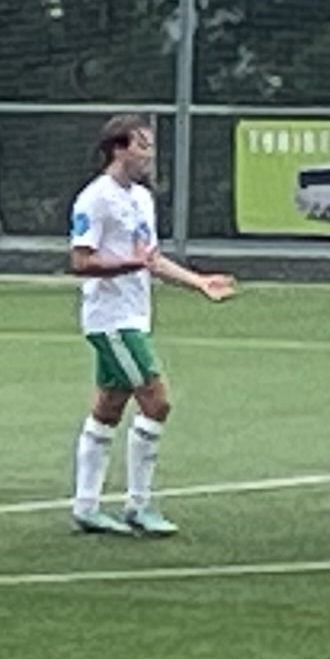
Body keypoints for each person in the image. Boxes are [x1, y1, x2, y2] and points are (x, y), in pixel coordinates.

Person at [64, 115, 234, 534]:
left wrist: (198, 282)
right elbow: (81, 261)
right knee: (157, 401)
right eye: (142, 146)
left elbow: (151, 260)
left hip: (135, 316)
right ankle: (138, 505)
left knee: (108, 407)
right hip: (111, 320)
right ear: (118, 149)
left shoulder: (141, 198)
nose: (149, 155)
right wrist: (129, 264)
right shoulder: (95, 199)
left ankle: (86, 506)